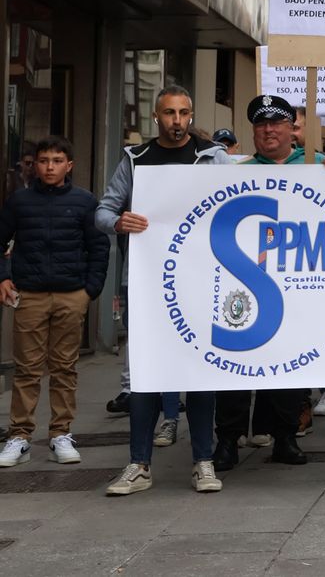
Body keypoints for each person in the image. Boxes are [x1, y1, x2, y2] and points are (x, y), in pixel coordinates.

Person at [96, 85, 229, 496]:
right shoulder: (136, 159)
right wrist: (119, 223)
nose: (177, 120)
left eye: (184, 113)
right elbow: (104, 209)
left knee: (201, 373)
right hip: (149, 284)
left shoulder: (212, 157)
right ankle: (139, 465)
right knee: (145, 376)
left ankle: (203, 462)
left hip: (202, 282)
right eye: (169, 113)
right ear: (157, 117)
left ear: (191, 115)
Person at [218, 95, 325, 472]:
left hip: (298, 281)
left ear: (293, 128)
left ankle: (285, 436)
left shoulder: (318, 165)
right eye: (261, 124)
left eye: (276, 123)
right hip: (244, 282)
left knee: (288, 365)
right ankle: (227, 439)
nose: (268, 130)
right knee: (235, 366)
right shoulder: (237, 172)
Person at [0, 136, 107, 469]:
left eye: (57, 160)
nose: (49, 167)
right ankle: (19, 437)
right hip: (29, 295)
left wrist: (89, 290)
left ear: (69, 165)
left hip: (70, 294)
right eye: (44, 160)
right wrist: (3, 277)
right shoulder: (19, 201)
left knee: (64, 369)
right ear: (35, 164)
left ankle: (61, 433)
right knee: (27, 371)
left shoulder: (85, 201)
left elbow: (99, 247)